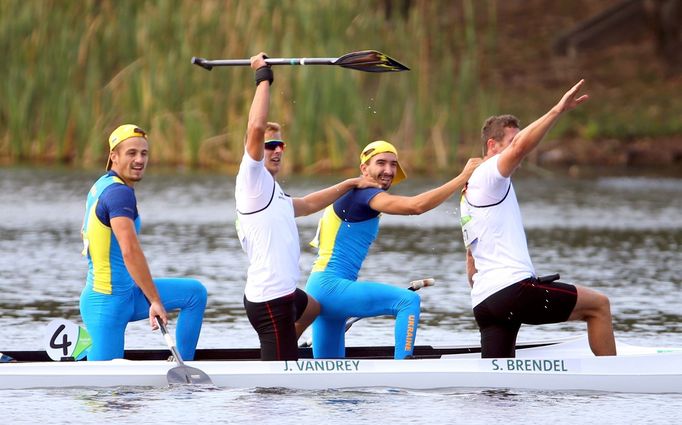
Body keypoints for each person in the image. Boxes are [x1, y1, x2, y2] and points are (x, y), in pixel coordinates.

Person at [236, 52, 380, 361]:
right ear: (256, 149)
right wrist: (263, 77)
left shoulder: (272, 192)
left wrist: (350, 183)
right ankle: (283, 355)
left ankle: (291, 347)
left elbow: (307, 204)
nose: (275, 151)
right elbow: (256, 127)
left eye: (280, 146)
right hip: (269, 301)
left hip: (286, 295)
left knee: (314, 305)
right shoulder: (251, 179)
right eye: (269, 146)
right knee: (277, 391)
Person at [460, 79, 617, 358]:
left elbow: (471, 257)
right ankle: (617, 380)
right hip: (512, 291)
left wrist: (479, 279)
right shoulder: (488, 175)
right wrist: (557, 109)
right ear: (492, 145)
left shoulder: (470, 190)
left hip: (486, 302)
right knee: (599, 306)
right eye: (510, 142)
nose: (519, 149)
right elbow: (520, 148)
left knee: (498, 390)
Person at [305, 141, 481, 359]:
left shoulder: (356, 194)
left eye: (393, 164)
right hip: (332, 288)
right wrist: (462, 177)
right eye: (381, 163)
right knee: (407, 301)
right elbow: (415, 207)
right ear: (364, 169)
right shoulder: (363, 194)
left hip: (320, 290)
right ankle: (403, 368)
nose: (388, 170)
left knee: (329, 378)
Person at [80, 124, 207, 361]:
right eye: (131, 153)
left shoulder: (103, 185)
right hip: (105, 304)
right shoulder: (119, 194)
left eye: (144, 153)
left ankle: (182, 365)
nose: (139, 160)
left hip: (127, 294)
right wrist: (155, 301)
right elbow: (130, 251)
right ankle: (81, 359)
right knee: (105, 392)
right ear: (113, 156)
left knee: (194, 294)